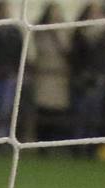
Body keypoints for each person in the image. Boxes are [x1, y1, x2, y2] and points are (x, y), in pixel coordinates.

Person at [70, 3, 105, 142]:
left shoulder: (104, 32)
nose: (97, 14)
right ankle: (78, 143)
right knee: (81, 112)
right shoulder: (81, 33)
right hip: (83, 78)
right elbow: (77, 55)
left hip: (99, 77)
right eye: (93, 12)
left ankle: (91, 143)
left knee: (95, 113)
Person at [0, 1, 28, 138]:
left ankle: (3, 137)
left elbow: (20, 53)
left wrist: (17, 71)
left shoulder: (14, 32)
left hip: (9, 76)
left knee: (6, 109)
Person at [28, 3, 72, 141]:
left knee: (57, 111)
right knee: (43, 109)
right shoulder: (39, 31)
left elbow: (68, 50)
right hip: (44, 74)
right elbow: (35, 51)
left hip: (59, 75)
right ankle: (40, 140)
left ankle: (53, 140)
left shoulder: (65, 31)